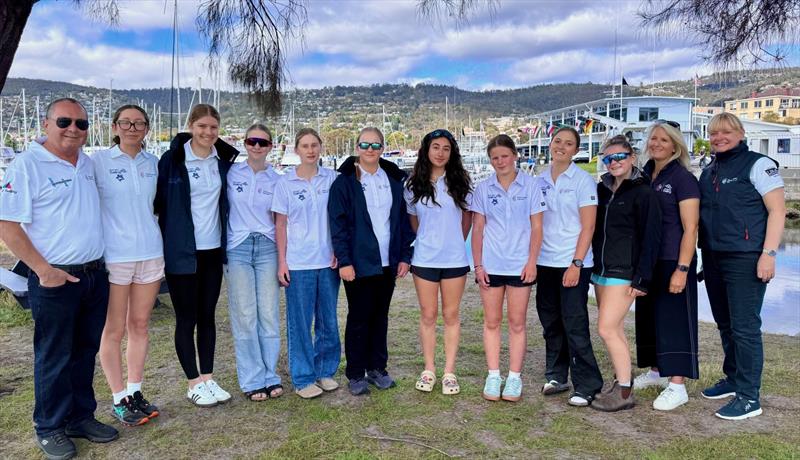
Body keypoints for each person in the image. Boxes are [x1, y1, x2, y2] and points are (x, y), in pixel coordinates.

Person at [0, 97, 119, 459]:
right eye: (65, 121)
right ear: (47, 123)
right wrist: (42, 270)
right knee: (54, 354)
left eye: (81, 124)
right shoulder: (27, 164)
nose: (73, 129)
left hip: (93, 274)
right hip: (54, 279)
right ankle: (49, 426)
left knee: (85, 351)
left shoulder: (86, 163)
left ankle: (80, 417)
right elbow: (7, 224)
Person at [698, 113, 785, 420]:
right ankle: (733, 379)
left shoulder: (759, 164)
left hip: (746, 257)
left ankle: (749, 397)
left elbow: (777, 212)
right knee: (725, 324)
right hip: (712, 257)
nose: (719, 137)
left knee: (745, 328)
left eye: (726, 132)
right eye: (713, 133)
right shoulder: (709, 170)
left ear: (741, 132)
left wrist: (769, 254)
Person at [155, 103, 238, 407]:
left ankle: (208, 377)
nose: (208, 132)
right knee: (186, 318)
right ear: (191, 126)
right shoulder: (172, 161)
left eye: (213, 127)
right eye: (202, 126)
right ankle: (192, 383)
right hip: (181, 252)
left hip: (212, 251)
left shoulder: (223, 162)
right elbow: (157, 204)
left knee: (207, 317)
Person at [328, 127, 415, 396]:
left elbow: (402, 222)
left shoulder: (392, 180)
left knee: (380, 316)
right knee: (358, 317)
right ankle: (355, 373)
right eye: (365, 145)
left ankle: (377, 368)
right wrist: (344, 261)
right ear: (357, 148)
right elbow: (338, 225)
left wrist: (404, 256)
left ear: (382, 148)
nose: (370, 150)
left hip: (387, 261)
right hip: (358, 262)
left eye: (376, 145)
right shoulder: (344, 182)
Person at [95, 105, 163, 426]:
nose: (133, 128)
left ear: (147, 128)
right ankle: (118, 397)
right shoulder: (99, 162)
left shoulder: (154, 163)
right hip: (116, 256)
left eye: (139, 123)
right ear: (115, 127)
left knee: (139, 325)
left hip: (150, 252)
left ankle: (135, 391)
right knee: (114, 329)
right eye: (126, 122)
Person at [470, 134, 546, 403]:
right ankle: (493, 374)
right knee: (491, 322)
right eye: (494, 158)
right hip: (491, 264)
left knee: (517, 323)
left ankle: (514, 377)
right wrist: (478, 265)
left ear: (515, 155)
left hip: (520, 265)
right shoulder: (483, 188)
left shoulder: (531, 185)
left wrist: (532, 262)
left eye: (504, 155)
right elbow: (477, 229)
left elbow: (537, 227)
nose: (500, 161)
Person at [590, 135, 662, 412]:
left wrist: (642, 278)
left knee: (605, 328)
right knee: (616, 329)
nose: (614, 162)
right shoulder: (603, 190)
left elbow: (651, 238)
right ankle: (623, 381)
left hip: (625, 271)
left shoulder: (644, 192)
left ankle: (624, 395)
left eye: (620, 156)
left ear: (632, 157)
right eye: (608, 158)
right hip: (601, 270)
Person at [633, 121, 701, 411]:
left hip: (674, 258)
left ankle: (677, 385)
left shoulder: (683, 178)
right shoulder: (647, 173)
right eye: (653, 138)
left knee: (674, 321)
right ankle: (657, 372)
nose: (656, 143)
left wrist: (682, 269)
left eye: (664, 139)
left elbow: (691, 227)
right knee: (649, 319)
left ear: (675, 145)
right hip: (649, 260)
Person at [535, 127, 604, 407]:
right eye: (557, 141)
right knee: (550, 321)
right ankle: (556, 375)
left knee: (574, 323)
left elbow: (588, 226)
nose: (561, 146)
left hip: (573, 262)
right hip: (545, 262)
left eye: (568, 143)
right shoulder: (538, 179)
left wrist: (576, 263)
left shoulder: (583, 181)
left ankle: (588, 384)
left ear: (576, 150)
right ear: (550, 145)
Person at [273, 128, 341, 399]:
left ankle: (325, 370)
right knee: (300, 322)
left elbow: (339, 218)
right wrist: (282, 262)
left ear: (321, 148)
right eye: (305, 145)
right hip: (298, 262)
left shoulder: (333, 179)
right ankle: (302, 377)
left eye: (314, 145)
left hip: (328, 261)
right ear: (296, 150)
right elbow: (280, 225)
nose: (310, 150)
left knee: (328, 320)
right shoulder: (285, 184)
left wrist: (340, 251)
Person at [404, 129, 472, 395]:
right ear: (426, 150)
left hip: (455, 259)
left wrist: (455, 240)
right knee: (428, 315)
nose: (441, 152)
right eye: (436, 147)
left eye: (446, 148)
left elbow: (467, 218)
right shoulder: (412, 185)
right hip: (425, 259)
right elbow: (414, 221)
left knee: (451, 315)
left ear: (452, 152)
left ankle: (449, 372)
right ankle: (430, 368)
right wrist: (429, 239)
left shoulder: (461, 182)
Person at [223, 123, 283, 402]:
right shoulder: (231, 172)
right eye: (251, 141)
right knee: (245, 315)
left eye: (263, 142)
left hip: (268, 247)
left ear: (271, 147)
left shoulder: (278, 179)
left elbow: (282, 220)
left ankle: (270, 375)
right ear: (244, 143)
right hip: (238, 248)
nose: (257, 147)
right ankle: (251, 378)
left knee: (269, 315)